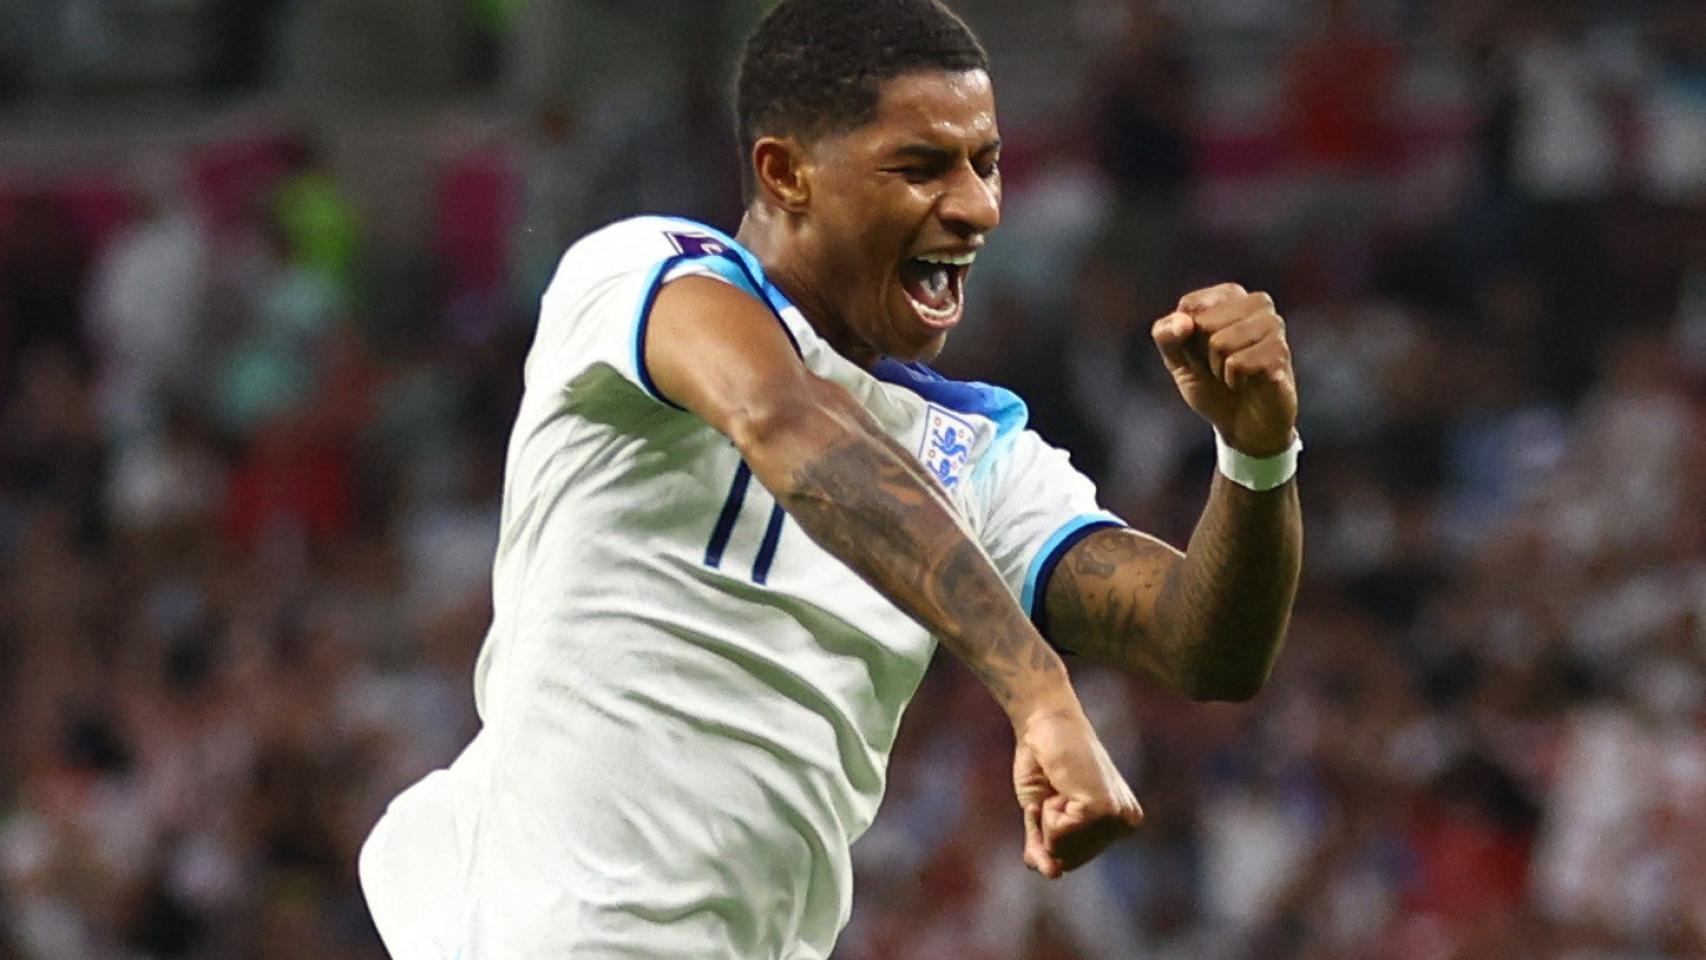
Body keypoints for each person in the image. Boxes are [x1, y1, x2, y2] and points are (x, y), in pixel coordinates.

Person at [357, 1, 1303, 957]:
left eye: (987, 161)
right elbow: (787, 422)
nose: (977, 207)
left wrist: (1257, 454)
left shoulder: (973, 450)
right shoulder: (644, 276)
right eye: (922, 167)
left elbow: (1204, 646)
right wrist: (1039, 692)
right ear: (786, 173)